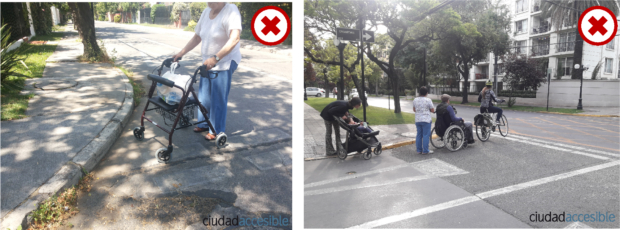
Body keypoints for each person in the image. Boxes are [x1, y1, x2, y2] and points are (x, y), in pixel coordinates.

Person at [172, 2, 242, 140]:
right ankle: (204, 123)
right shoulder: (206, 12)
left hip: (225, 61)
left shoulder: (230, 11)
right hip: (208, 62)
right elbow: (197, 37)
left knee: (218, 96)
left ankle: (216, 129)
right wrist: (181, 53)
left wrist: (216, 58)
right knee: (204, 95)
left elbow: (235, 38)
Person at [413, 87, 435, 155]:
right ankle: (425, 150)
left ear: (419, 93)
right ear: (426, 93)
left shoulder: (415, 100)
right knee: (425, 135)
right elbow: (432, 110)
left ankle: (419, 150)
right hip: (426, 120)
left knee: (419, 135)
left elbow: (414, 109)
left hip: (418, 120)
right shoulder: (428, 100)